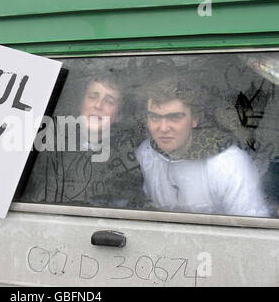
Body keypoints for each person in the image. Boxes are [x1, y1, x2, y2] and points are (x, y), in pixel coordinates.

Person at [135, 74, 271, 217]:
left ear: (194, 119)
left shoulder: (228, 164)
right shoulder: (147, 153)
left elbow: (252, 231)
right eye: (155, 117)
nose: (163, 128)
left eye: (174, 117)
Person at [19, 73, 146, 209]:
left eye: (109, 101)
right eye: (92, 97)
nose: (98, 105)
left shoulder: (128, 161)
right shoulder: (46, 149)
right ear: (81, 103)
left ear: (119, 114)